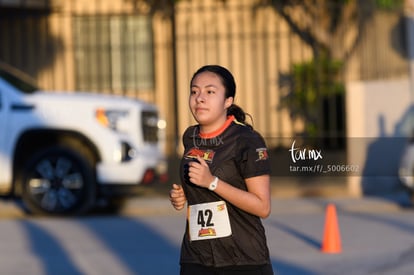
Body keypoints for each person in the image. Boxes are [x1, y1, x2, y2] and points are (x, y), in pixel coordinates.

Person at [169, 65, 274, 275]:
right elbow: (200, 190)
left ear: (228, 101)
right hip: (196, 257)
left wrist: (212, 182)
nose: (199, 98)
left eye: (210, 92)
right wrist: (182, 196)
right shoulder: (190, 137)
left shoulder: (247, 141)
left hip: (242, 260)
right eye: (194, 91)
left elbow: (263, 207)